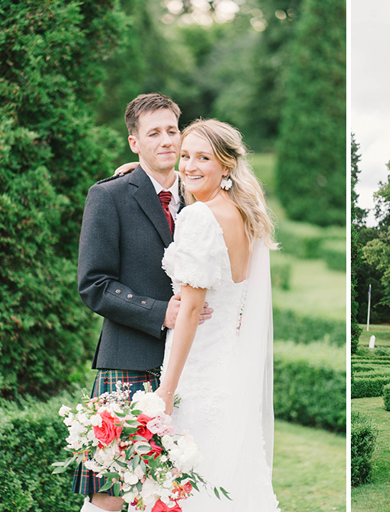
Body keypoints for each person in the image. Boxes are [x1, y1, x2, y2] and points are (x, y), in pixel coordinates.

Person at [74, 93, 212, 512]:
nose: (166, 141)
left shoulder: (201, 194)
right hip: (128, 359)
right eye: (153, 133)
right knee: (110, 494)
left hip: (194, 364)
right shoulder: (110, 195)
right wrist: (160, 312)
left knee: (171, 495)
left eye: (173, 130)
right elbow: (94, 284)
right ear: (134, 142)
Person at [148, 118, 280, 511]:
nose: (188, 166)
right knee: (229, 483)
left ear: (225, 165)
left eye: (202, 157)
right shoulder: (241, 214)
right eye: (185, 155)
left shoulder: (200, 217)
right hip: (230, 369)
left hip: (197, 370)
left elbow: (190, 311)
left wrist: (165, 393)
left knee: (192, 489)